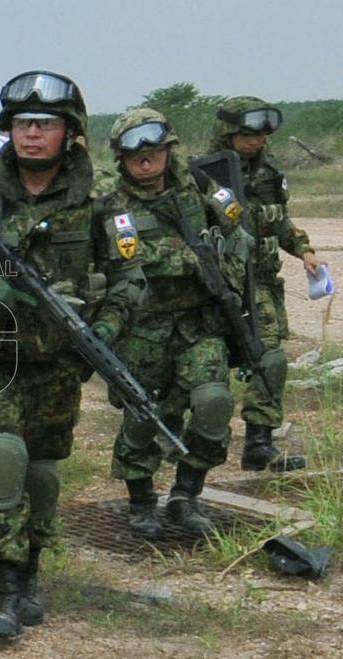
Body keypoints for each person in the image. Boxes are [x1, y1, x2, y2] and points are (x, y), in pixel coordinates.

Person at [0, 71, 144, 640]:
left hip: (57, 360)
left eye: (45, 124)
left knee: (40, 475)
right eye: (22, 124)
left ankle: (28, 580)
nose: (32, 135)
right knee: (1, 456)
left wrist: (101, 332)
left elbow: (129, 277)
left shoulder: (102, 199)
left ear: (70, 133)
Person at [102, 108, 253, 539]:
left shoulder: (199, 185)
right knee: (144, 414)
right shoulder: (109, 201)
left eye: (155, 150)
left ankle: (186, 494)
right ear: (121, 158)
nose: (146, 160)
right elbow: (113, 261)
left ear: (169, 150)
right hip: (141, 326)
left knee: (213, 403)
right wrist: (186, 259)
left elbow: (237, 231)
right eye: (136, 154)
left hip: (197, 322)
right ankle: (140, 501)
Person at [209, 96, 316, 473]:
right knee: (205, 368)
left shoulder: (269, 172)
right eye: (248, 136)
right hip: (214, 289)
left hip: (262, 285)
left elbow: (279, 222)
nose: (258, 143)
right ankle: (194, 444)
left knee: (270, 360)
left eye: (262, 136)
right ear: (228, 134)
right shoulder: (203, 174)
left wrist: (303, 250)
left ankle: (259, 443)